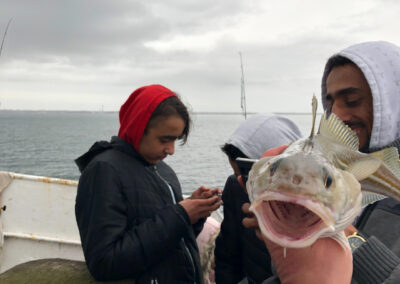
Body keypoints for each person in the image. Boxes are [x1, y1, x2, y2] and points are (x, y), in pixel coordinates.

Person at [244, 41, 400, 284]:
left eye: (351, 101)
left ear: (390, 102)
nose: (336, 114)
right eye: (330, 103)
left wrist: (348, 239)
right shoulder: (320, 164)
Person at [75, 84, 222, 283]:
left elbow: (175, 240)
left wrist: (194, 215)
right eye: (164, 140)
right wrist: (180, 215)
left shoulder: (163, 170)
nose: (171, 150)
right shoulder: (104, 171)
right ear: (138, 127)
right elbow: (105, 263)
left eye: (175, 140)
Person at [214, 114, 302, 284]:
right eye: (240, 174)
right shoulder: (235, 188)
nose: (246, 185)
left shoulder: (312, 202)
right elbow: (227, 258)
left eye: (251, 174)